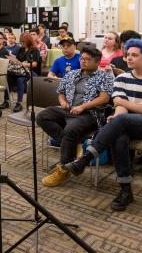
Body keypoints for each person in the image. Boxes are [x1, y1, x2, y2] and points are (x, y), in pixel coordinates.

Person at [66, 39, 142, 211]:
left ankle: (86, 158)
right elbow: (119, 105)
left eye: (134, 55)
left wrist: (122, 109)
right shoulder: (121, 78)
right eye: (128, 54)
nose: (128, 58)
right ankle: (126, 190)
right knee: (118, 136)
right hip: (127, 122)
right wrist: (118, 114)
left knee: (119, 121)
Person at [37, 47, 114, 187]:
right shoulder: (72, 74)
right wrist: (63, 102)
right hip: (69, 110)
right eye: (81, 58)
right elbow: (60, 92)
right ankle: (73, 144)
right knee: (43, 116)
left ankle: (63, 168)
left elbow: (104, 98)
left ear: (97, 62)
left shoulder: (105, 76)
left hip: (90, 114)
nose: (83, 61)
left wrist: (83, 107)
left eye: (87, 59)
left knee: (70, 131)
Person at [0, 32, 40, 113]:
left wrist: (22, 63)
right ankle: (6, 101)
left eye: (24, 42)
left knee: (20, 79)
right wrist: (13, 60)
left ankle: (19, 103)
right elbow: (18, 60)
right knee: (8, 78)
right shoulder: (21, 49)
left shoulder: (34, 50)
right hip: (19, 71)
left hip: (30, 72)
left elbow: (34, 64)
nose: (22, 43)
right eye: (21, 42)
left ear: (28, 41)